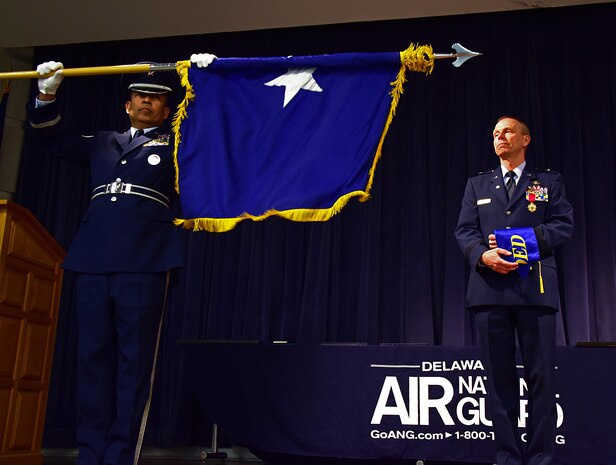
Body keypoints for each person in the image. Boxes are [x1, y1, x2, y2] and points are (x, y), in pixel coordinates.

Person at [30, 53, 215, 465]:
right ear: (126, 105)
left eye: (155, 98)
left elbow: (215, 135)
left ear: (166, 110)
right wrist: (47, 93)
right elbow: (48, 138)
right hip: (93, 258)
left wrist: (206, 82)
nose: (146, 102)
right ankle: (90, 454)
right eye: (139, 96)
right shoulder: (100, 142)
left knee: (134, 366)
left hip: (145, 259)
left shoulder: (178, 144)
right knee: (91, 360)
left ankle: (119, 457)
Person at [454, 116, 573, 465]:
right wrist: (483, 255)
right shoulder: (477, 185)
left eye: (506, 131)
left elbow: (563, 225)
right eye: (494, 134)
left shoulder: (548, 182)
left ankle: (540, 459)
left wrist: (522, 242)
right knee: (498, 382)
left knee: (541, 380)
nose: (499, 137)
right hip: (489, 292)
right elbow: (464, 232)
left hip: (533, 290)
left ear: (525, 138)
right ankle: (507, 457)